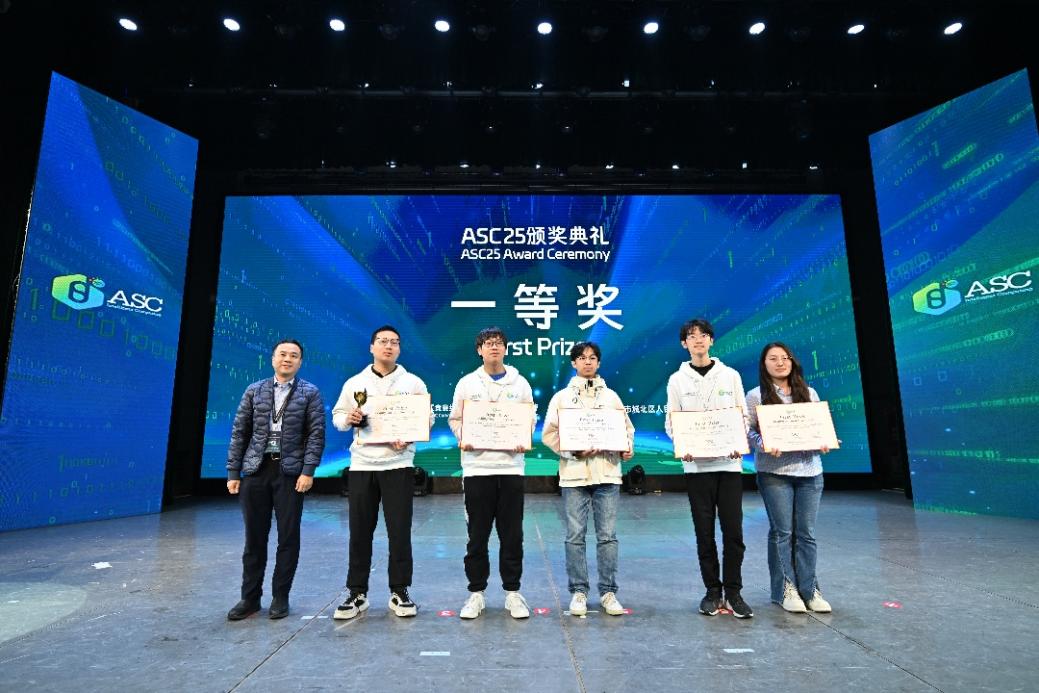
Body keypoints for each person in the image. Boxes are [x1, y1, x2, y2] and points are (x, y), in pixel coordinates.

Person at [331, 326, 434, 620]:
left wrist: (410, 436)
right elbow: (338, 416)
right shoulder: (355, 383)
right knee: (359, 532)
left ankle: (399, 590)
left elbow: (426, 417)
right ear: (372, 347)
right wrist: (349, 418)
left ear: (399, 349)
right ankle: (357, 592)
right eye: (383, 341)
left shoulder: (413, 383)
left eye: (394, 342)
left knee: (399, 531)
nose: (388, 346)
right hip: (363, 465)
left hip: (398, 465)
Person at [226, 339, 325, 621]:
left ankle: (281, 597)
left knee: (288, 538)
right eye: (283, 354)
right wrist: (234, 472)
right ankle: (249, 598)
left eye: (294, 355)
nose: (287, 359)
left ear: (300, 362)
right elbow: (240, 432)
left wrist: (308, 471)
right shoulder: (254, 390)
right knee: (254, 539)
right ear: (272, 359)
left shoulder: (310, 392)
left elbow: (316, 434)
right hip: (256, 471)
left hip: (290, 473)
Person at [664, 318, 753, 619]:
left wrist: (738, 440)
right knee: (704, 533)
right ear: (684, 344)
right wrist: (683, 443)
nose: (698, 340)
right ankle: (712, 591)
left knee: (733, 532)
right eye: (692, 336)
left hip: (729, 464)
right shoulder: (677, 380)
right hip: (696, 468)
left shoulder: (730, 375)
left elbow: (742, 416)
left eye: (704, 335)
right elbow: (672, 421)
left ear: (712, 340)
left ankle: (734, 592)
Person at [448, 327, 537, 620]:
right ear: (479, 350)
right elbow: (455, 419)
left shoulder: (520, 383)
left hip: (511, 468)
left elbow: (529, 419)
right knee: (477, 535)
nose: (494, 347)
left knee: (512, 535)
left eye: (498, 343)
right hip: (477, 468)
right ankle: (476, 593)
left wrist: (524, 437)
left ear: (506, 349)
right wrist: (464, 436)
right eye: (488, 343)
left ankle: (512, 593)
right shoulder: (466, 384)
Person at [542, 341, 634, 617]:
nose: (588, 362)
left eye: (593, 358)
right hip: (574, 476)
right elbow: (549, 434)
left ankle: (608, 592)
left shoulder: (612, 397)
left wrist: (626, 447)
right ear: (574, 363)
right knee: (575, 536)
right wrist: (573, 451)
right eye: (582, 358)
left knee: (608, 537)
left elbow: (627, 430)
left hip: (607, 474)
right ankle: (579, 592)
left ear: (599, 362)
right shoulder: (561, 398)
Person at [746, 342, 833, 613]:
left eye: (785, 358)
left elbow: (820, 427)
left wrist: (825, 440)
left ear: (792, 362)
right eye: (773, 358)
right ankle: (786, 589)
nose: (780, 363)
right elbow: (747, 431)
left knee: (807, 534)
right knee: (782, 533)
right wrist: (763, 444)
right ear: (764, 364)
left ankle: (810, 589)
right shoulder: (756, 395)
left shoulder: (808, 392)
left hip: (810, 472)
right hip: (775, 474)